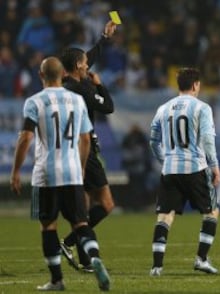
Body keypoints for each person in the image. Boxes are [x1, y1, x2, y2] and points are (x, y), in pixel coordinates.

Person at [10, 57, 110, 291]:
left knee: (49, 226)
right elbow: (85, 138)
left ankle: (56, 280)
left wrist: (16, 170)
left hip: (46, 173)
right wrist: (82, 166)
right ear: (62, 74)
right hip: (73, 171)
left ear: (40, 75)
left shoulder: (34, 102)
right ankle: (94, 257)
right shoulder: (77, 100)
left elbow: (26, 137)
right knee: (81, 223)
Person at [149, 67, 220, 276]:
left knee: (164, 216)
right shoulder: (202, 108)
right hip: (194, 168)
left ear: (177, 85)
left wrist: (165, 159)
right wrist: (214, 165)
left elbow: (153, 141)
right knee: (211, 212)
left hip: (170, 169)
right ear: (196, 85)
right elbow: (207, 139)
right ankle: (201, 259)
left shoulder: (163, 108)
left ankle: (156, 266)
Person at [58, 21, 117, 272]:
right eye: (84, 63)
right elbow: (108, 107)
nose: (87, 65)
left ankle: (82, 257)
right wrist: (100, 85)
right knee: (105, 205)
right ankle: (70, 243)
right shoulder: (82, 89)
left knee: (83, 207)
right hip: (83, 150)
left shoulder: (65, 83)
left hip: (67, 150)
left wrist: (104, 37)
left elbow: (87, 58)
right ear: (77, 67)